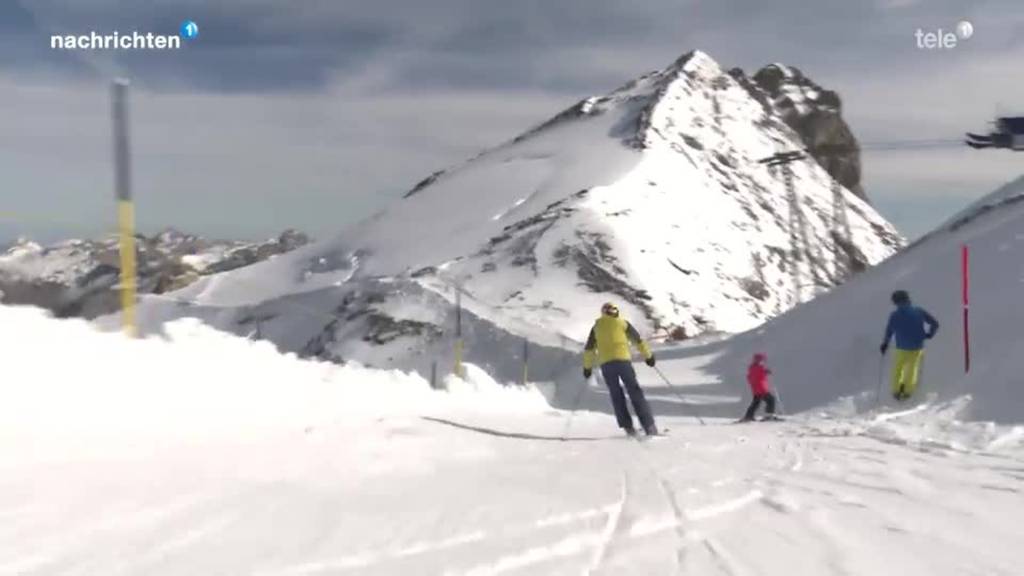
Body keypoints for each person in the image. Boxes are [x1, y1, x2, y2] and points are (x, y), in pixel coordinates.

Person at [583, 302, 658, 436]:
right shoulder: (623, 323)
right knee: (635, 392)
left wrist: (587, 367)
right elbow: (638, 341)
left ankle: (627, 427)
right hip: (623, 362)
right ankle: (649, 426)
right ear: (615, 312)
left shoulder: (596, 327)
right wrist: (648, 356)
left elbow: (589, 349)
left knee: (616, 394)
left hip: (607, 365)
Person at [880, 290, 939, 401]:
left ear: (896, 302)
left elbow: (889, 331)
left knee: (898, 368)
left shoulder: (894, 315)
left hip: (901, 347)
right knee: (912, 368)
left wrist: (885, 344)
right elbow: (935, 323)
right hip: (917, 346)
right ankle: (908, 391)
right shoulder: (919, 311)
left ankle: (896, 390)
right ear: (907, 299)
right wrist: (930, 334)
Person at [741, 353, 779, 422]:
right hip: (762, 389)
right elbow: (760, 373)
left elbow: (751, 377)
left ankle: (749, 416)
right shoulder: (759, 367)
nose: (763, 361)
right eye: (762, 360)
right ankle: (769, 415)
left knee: (756, 403)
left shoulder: (752, 368)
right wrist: (766, 372)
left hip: (756, 389)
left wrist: (765, 372)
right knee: (771, 400)